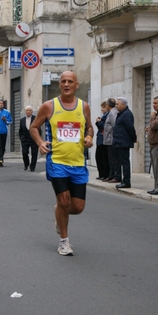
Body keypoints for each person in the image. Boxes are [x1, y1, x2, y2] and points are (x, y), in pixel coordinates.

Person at [30, 71, 94, 256]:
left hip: (78, 162)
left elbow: (89, 127)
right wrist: (41, 143)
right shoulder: (49, 106)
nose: (66, 84)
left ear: (76, 84)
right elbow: (34, 127)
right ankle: (64, 242)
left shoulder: (84, 107)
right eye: (63, 81)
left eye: (70, 82)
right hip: (57, 161)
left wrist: (89, 136)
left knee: (77, 207)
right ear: (60, 85)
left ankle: (58, 212)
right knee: (64, 200)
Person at [113, 97, 137, 189]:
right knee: (122, 162)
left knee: (125, 162)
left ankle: (126, 181)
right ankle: (124, 180)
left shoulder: (127, 114)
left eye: (117, 104)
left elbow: (130, 128)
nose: (116, 106)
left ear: (123, 105)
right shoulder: (121, 114)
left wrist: (133, 138)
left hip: (123, 142)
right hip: (119, 142)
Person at [102, 98, 120, 183]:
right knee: (110, 159)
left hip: (112, 139)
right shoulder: (111, 112)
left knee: (114, 159)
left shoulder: (113, 113)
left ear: (108, 105)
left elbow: (115, 125)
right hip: (109, 139)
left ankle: (116, 176)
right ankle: (111, 175)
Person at [19, 105, 40, 172]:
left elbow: (39, 129)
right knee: (24, 152)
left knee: (34, 153)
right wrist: (21, 138)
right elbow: (20, 130)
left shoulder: (36, 118)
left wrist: (38, 139)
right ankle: (26, 164)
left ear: (32, 112)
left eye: (30, 110)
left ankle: (32, 167)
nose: (28, 112)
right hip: (25, 139)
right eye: (27, 110)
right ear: (25, 112)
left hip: (34, 139)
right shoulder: (22, 120)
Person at [0, 100, 13, 167]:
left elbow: (10, 121)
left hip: (4, 131)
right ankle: (0, 159)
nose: (1, 104)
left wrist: (5, 120)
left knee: (3, 146)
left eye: (2, 103)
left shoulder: (7, 112)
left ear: (3, 105)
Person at [95, 101, 109, 180]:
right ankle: (101, 174)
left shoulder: (107, 116)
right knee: (99, 158)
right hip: (100, 139)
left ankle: (104, 174)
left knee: (103, 158)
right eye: (102, 107)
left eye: (104, 107)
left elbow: (104, 127)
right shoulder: (103, 116)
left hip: (103, 139)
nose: (102, 109)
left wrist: (99, 122)